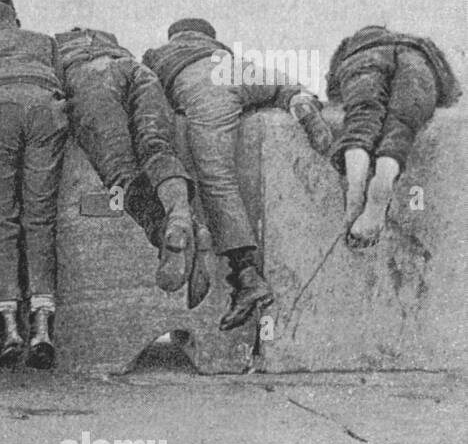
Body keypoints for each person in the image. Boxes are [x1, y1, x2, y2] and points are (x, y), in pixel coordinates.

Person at [143, 18, 324, 330]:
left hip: (200, 88)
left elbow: (148, 94)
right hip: (237, 70)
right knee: (282, 86)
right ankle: (300, 102)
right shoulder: (218, 50)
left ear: (174, 36)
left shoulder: (159, 54)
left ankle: (247, 276)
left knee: (217, 181)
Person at [55, 26, 207, 309]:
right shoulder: (109, 39)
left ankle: (163, 230)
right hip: (135, 70)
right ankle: (181, 214)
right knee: (156, 145)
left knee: (121, 172)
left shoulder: (54, 47)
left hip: (89, 79)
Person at [0, 0, 68, 369]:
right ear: (15, 19)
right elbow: (62, 82)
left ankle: (10, 329)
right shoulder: (44, 41)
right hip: (44, 110)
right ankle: (42, 328)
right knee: (40, 220)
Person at [325, 25, 461, 248]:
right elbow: (450, 92)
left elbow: (334, 91)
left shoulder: (354, 44)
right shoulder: (421, 45)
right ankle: (383, 183)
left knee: (361, 120)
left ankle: (356, 188)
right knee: (402, 127)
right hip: (419, 60)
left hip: (365, 56)